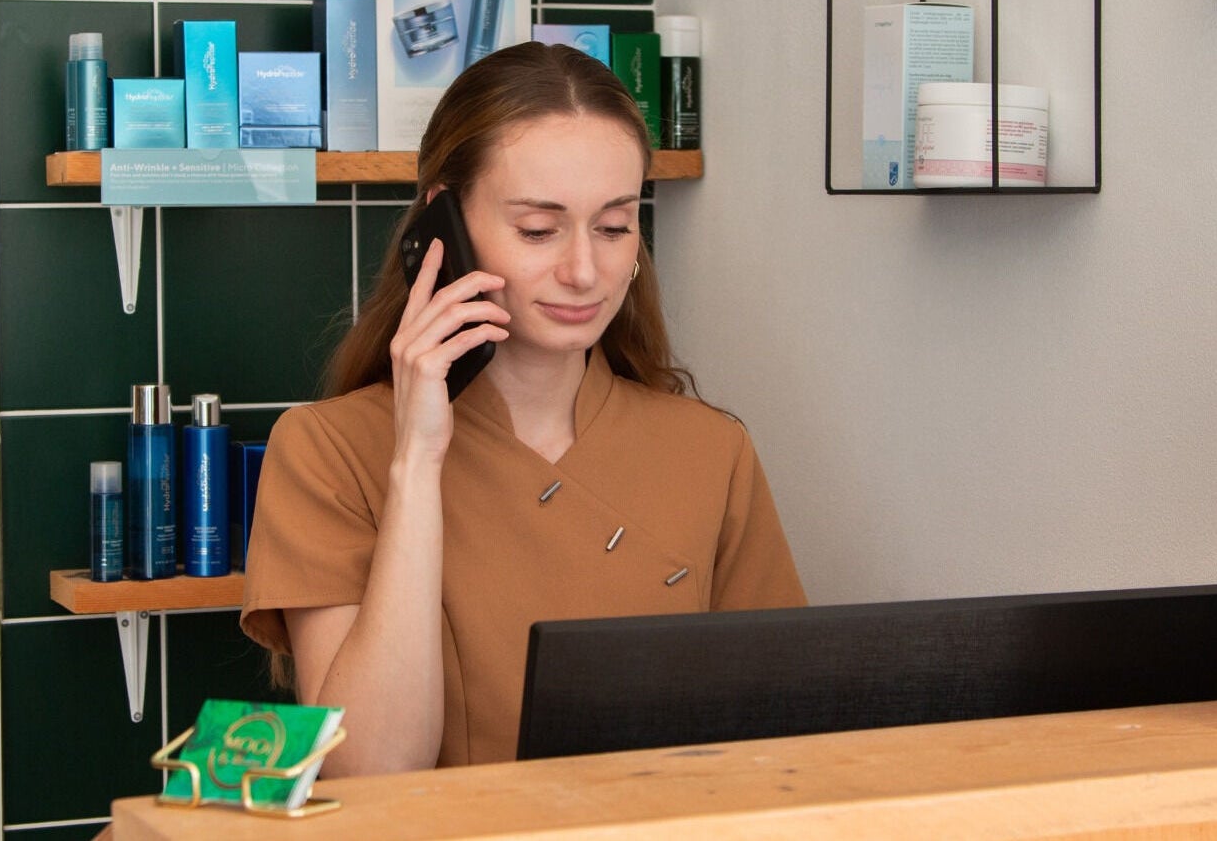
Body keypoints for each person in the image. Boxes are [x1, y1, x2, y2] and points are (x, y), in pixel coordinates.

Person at [238, 42, 806, 776]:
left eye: (613, 226)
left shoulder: (711, 451)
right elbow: (371, 778)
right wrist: (416, 463)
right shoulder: (329, 451)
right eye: (538, 230)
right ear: (443, 229)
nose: (583, 271)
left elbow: (786, 741)